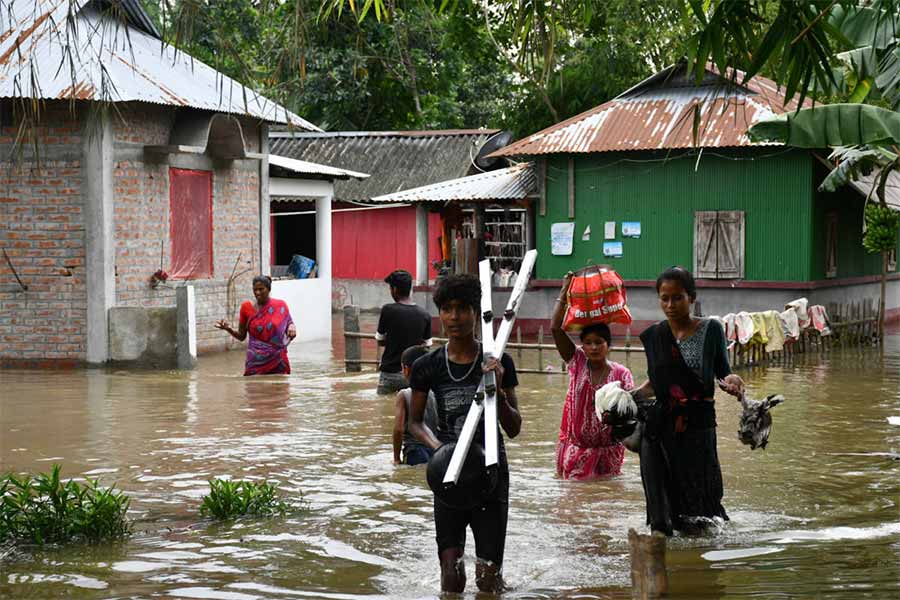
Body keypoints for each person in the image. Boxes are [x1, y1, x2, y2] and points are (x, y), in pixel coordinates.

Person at [408, 274, 521, 594]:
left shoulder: (498, 362)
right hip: (448, 477)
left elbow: (514, 428)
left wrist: (497, 392)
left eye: (462, 309)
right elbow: (415, 423)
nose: (454, 317)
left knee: (488, 579)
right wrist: (442, 451)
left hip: (491, 475)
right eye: (446, 309)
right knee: (451, 574)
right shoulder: (427, 366)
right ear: (439, 313)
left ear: (477, 313)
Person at [631, 266, 744, 536]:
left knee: (701, 505)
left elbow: (724, 371)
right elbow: (656, 385)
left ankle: (701, 558)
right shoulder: (656, 335)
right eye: (664, 298)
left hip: (698, 427)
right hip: (661, 427)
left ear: (691, 298)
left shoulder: (711, 329)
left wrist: (733, 381)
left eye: (678, 297)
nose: (670, 305)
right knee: (663, 502)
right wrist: (628, 398)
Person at [551, 271, 634, 480]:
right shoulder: (578, 363)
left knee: (606, 499)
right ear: (583, 346)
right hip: (577, 450)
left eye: (599, 342)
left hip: (610, 452)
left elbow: (631, 413)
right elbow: (555, 328)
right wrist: (565, 289)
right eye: (588, 343)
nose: (594, 347)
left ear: (608, 345)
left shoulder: (621, 374)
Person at [215, 275, 296, 375]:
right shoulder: (246, 308)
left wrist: (292, 327)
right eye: (255, 289)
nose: (257, 293)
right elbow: (241, 337)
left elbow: (289, 322)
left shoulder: (280, 305)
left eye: (261, 289)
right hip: (255, 362)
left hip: (278, 360)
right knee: (254, 388)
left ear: (269, 289)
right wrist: (228, 329)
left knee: (280, 389)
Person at [376, 270, 432, 395]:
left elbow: (380, 340)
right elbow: (427, 345)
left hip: (390, 375)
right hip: (413, 375)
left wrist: (392, 340)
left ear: (394, 289)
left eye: (390, 288)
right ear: (410, 288)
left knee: (384, 407)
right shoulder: (424, 314)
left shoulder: (388, 310)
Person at [393, 345, 439, 466]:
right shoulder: (438, 392)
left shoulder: (404, 394)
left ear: (406, 369)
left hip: (414, 452)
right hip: (438, 450)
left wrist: (396, 459)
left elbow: (398, 430)